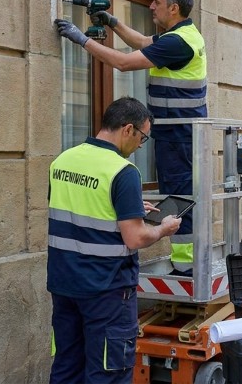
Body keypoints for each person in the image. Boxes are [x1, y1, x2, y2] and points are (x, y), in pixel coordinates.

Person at [55, 0, 206, 275]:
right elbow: (141, 43)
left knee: (180, 196)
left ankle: (186, 268)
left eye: (156, 2)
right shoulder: (182, 35)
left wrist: (81, 39)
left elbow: (124, 63)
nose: (151, 6)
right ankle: (185, 264)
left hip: (179, 134)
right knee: (179, 194)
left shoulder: (177, 42)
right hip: (177, 133)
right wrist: (112, 23)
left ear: (173, 8)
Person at [47, 97, 182, 384]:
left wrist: (129, 207)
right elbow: (134, 238)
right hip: (106, 290)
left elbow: (79, 209)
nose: (141, 145)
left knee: (66, 368)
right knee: (108, 373)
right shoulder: (123, 171)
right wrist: (163, 229)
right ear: (128, 129)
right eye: (143, 137)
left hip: (64, 284)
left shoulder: (62, 161)